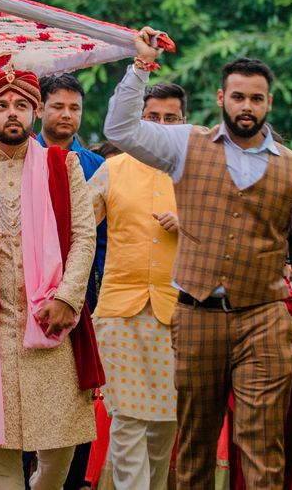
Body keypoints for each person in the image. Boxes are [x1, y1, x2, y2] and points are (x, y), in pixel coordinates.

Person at [103, 29, 292, 488]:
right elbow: (120, 129)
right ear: (222, 97)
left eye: (256, 99)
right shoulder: (185, 144)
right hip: (197, 315)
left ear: (269, 104)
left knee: (262, 443)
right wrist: (139, 67)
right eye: (238, 96)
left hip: (263, 317)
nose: (246, 107)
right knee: (196, 444)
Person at [0, 53, 100, 490]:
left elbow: (84, 237)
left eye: (20, 105)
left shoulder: (63, 165)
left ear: (34, 111)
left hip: (52, 322)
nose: (11, 114)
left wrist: (67, 299)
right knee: (1, 450)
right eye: (1, 106)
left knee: (60, 449)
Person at [87, 82, 187, 490]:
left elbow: (228, 233)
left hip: (180, 312)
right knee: (126, 421)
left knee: (165, 426)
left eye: (170, 119)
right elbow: (78, 228)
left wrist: (190, 228)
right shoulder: (114, 168)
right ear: (139, 119)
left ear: (184, 122)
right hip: (120, 310)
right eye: (152, 118)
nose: (161, 126)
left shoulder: (196, 170)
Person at [33, 73, 107, 490]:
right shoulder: (10, 156)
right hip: (23, 298)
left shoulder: (95, 166)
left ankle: (74, 481)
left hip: (84, 298)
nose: (66, 115)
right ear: (39, 108)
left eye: (74, 107)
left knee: (77, 397)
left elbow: (101, 240)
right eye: (57, 106)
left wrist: (85, 291)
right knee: (26, 397)